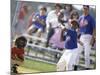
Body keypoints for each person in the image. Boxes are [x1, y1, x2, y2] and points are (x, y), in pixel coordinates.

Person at [78, 5, 96, 69]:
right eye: (84, 8)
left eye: (86, 9)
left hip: (89, 37)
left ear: (88, 9)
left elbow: (94, 29)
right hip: (81, 37)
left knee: (86, 55)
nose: (85, 10)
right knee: (77, 52)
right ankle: (75, 67)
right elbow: (78, 28)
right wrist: (78, 38)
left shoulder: (91, 18)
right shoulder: (80, 17)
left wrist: (92, 39)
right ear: (83, 9)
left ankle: (87, 68)